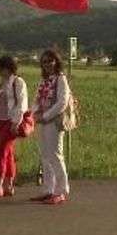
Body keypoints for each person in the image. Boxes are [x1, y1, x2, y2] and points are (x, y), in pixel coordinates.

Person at [0, 55, 28, 200]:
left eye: (1, 68)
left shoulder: (18, 82)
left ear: (8, 68)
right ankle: (9, 185)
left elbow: (22, 104)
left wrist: (16, 122)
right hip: (0, 122)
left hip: (11, 122)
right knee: (8, 153)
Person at [32, 50, 71, 205]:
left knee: (55, 155)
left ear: (56, 62)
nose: (47, 64)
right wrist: (34, 112)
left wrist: (46, 115)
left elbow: (62, 102)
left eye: (50, 61)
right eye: (44, 61)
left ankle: (61, 191)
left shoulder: (61, 79)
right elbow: (36, 99)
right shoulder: (44, 81)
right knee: (45, 156)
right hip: (42, 121)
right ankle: (48, 189)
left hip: (54, 122)